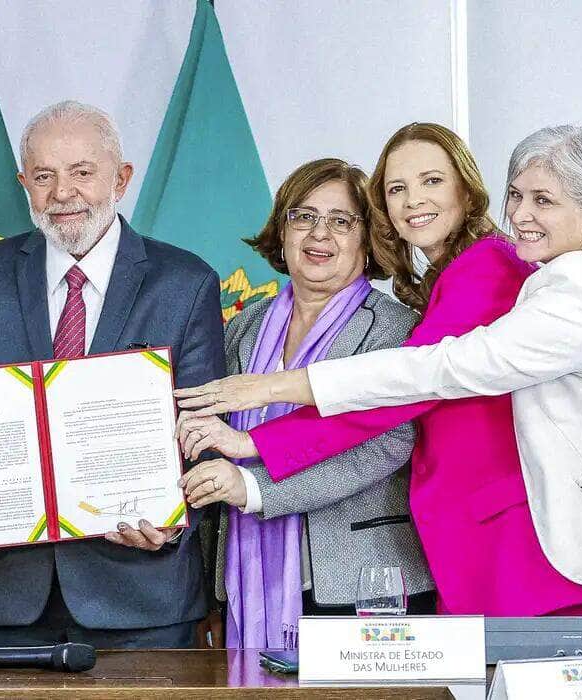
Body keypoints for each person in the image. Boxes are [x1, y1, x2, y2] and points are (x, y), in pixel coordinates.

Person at [176, 123, 582, 630]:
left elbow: (401, 393)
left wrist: (255, 440)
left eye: (431, 182)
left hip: (525, 548)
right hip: (485, 540)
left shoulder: (486, 267)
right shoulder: (456, 274)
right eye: (397, 188)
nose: (413, 201)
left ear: (466, 190)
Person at [0, 100, 224, 648]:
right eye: (44, 176)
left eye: (81, 172)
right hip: (9, 596)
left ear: (121, 179)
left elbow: (207, 434)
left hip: (144, 599)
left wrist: (171, 517)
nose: (62, 193)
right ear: (24, 183)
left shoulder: (185, 282)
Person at [176, 158, 433, 650]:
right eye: (304, 216)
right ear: (283, 228)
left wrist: (254, 490)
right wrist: (207, 595)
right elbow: (211, 448)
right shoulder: (243, 326)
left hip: (363, 584)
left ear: (369, 237)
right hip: (242, 583)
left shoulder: (396, 328)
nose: (320, 234)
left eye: (342, 221)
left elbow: (385, 446)